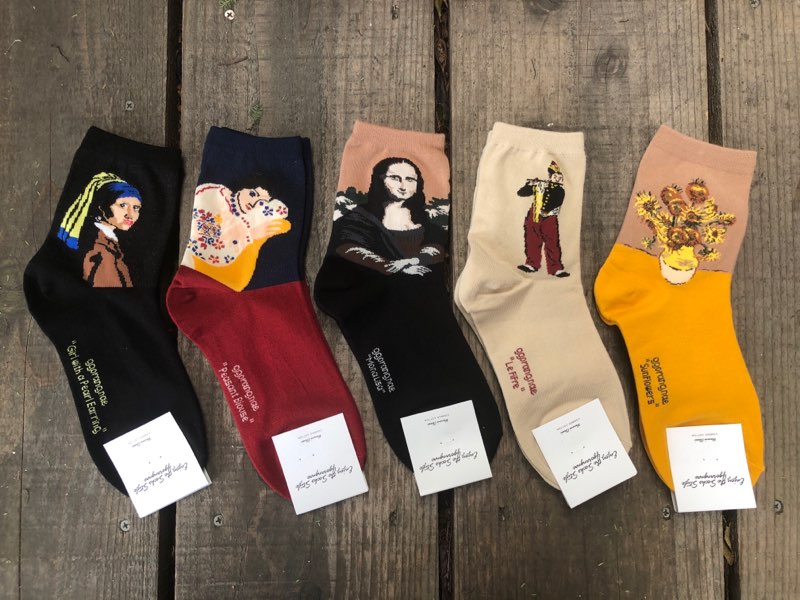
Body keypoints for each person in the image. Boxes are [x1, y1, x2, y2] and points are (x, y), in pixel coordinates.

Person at [331, 157, 446, 276]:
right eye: (395, 178)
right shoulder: (359, 216)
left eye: (410, 179)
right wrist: (390, 267)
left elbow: (436, 247)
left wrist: (412, 261)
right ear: (379, 179)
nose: (403, 186)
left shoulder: (423, 218)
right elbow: (348, 248)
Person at [182, 179, 290, 291]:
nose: (253, 203)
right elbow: (203, 235)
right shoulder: (218, 194)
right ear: (243, 188)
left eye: (261, 203)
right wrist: (250, 234)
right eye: (253, 194)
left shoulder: (247, 220)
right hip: (199, 262)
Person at [56, 172, 142, 287]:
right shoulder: (100, 250)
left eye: (136, 208)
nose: (130, 215)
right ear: (102, 206)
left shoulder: (108, 243)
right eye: (123, 205)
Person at [518, 160, 569, 277]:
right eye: (554, 176)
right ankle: (532, 264)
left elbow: (557, 201)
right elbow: (521, 193)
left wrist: (545, 188)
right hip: (535, 215)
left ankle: (555, 268)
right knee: (532, 239)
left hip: (550, 217)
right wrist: (530, 185)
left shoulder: (560, 190)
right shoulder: (540, 185)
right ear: (550, 176)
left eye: (558, 177)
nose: (556, 179)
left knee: (552, 241)